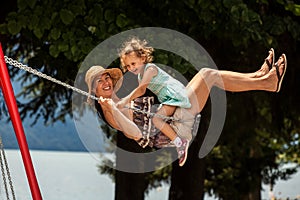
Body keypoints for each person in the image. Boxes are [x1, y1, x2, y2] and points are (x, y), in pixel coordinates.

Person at [85, 47, 287, 166]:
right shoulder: (109, 112)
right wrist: (112, 109)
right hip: (174, 128)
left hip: (173, 115)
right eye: (99, 82)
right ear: (94, 91)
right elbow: (133, 132)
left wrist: (117, 104)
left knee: (209, 75)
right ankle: (265, 82)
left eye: (106, 78)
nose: (105, 82)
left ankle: (260, 77)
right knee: (208, 75)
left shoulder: (118, 101)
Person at [116, 37, 191, 166]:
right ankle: (177, 140)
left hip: (173, 94)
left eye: (133, 64)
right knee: (159, 118)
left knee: (156, 119)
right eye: (128, 66)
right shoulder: (140, 74)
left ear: (143, 58)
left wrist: (125, 100)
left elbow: (141, 90)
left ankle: (180, 143)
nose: (131, 68)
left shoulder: (150, 69)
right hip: (167, 98)